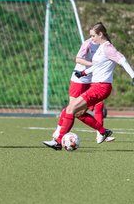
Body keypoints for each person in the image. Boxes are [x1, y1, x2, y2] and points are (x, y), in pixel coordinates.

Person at [44, 22, 134, 150]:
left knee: (70, 109)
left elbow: (122, 60)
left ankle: (58, 141)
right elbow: (97, 66)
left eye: (93, 36)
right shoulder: (101, 48)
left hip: (101, 87)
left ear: (100, 34)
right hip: (96, 86)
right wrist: (83, 72)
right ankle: (103, 131)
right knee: (77, 111)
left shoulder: (108, 48)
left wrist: (133, 76)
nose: (92, 38)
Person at [52, 38, 115, 142]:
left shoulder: (105, 46)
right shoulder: (88, 43)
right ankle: (58, 132)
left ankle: (101, 133)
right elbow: (78, 59)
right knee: (74, 110)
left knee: (96, 106)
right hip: (80, 80)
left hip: (95, 80)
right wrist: (94, 65)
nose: (93, 36)